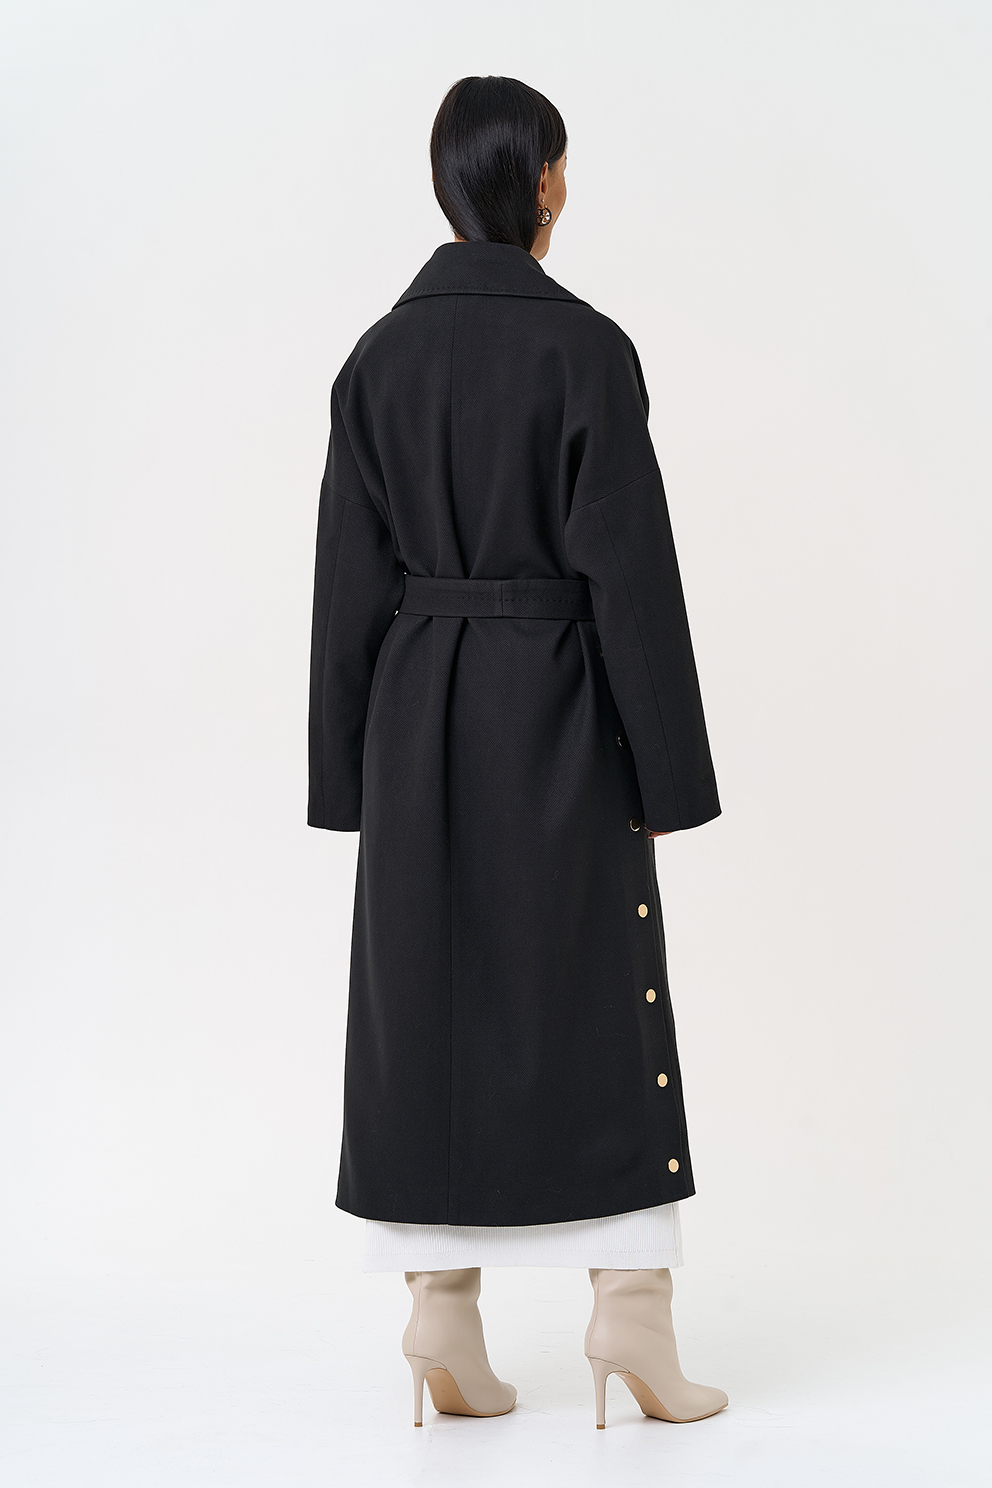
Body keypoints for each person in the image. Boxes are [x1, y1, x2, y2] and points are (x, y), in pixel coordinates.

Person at [307, 74, 727, 1430]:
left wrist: (345, 774)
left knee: (424, 993)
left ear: (445, 187)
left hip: (417, 708)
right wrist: (666, 775)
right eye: (562, 171)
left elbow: (345, 581)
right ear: (541, 183)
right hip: (561, 699)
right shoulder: (586, 350)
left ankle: (439, 1313)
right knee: (601, 986)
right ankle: (632, 1314)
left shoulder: (376, 359)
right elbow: (632, 578)